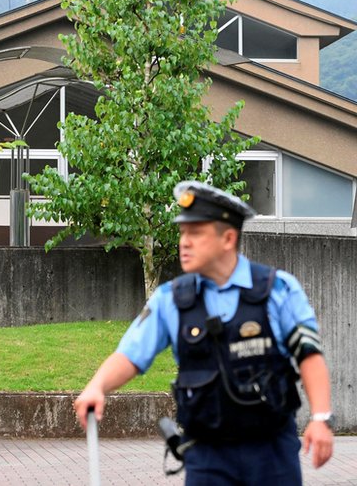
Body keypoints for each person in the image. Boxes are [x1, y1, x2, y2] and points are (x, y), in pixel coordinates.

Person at [73, 180, 334, 485]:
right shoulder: (171, 299)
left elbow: (309, 356)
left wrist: (320, 419)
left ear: (228, 238)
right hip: (207, 455)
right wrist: (97, 386)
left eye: (196, 233)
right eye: (183, 233)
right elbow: (131, 355)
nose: (185, 242)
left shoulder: (277, 290)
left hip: (271, 452)